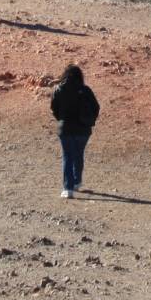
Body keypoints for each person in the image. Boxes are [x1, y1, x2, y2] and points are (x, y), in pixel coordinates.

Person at [50, 63, 100, 198]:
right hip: (83, 130)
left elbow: (54, 108)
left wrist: (60, 119)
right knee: (78, 154)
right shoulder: (86, 90)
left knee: (68, 156)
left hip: (65, 128)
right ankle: (77, 181)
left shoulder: (58, 89)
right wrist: (90, 121)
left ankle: (68, 188)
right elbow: (96, 107)